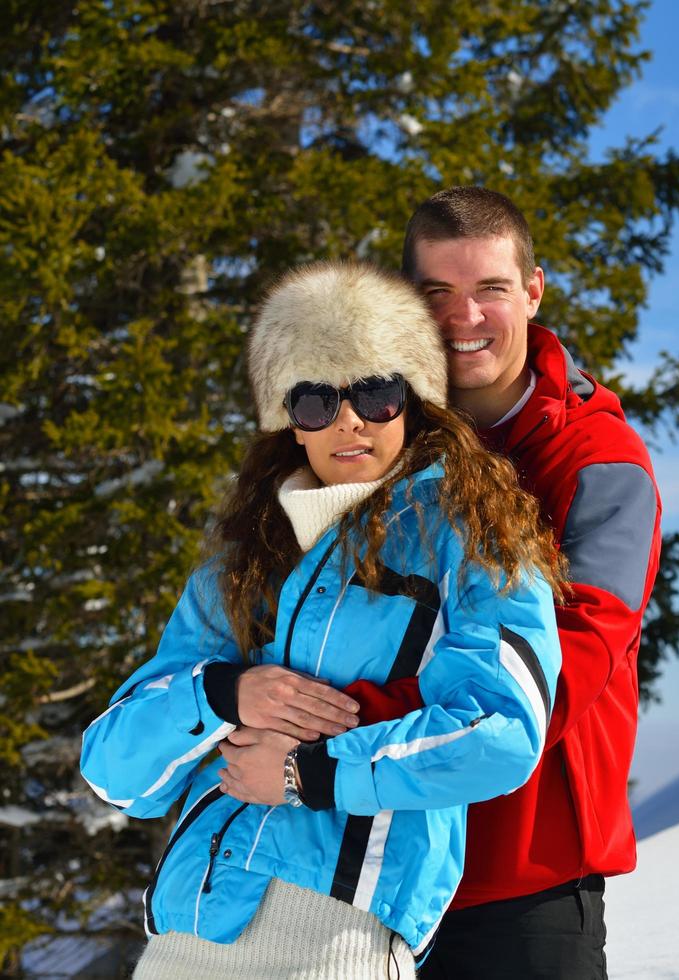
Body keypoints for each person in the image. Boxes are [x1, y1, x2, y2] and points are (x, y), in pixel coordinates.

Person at [79, 262, 565, 978]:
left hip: (340, 938)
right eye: (315, 401)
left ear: (415, 402)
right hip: (184, 935)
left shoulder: (474, 539)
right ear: (289, 423)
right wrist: (221, 696)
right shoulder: (239, 566)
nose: (348, 420)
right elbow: (116, 774)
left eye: (375, 393)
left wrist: (310, 772)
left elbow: (502, 732)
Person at [396, 187, 663, 979]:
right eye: (436, 293)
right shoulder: (370, 440)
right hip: (378, 865)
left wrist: (342, 732)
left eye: (489, 290)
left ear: (534, 290)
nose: (462, 317)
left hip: (523, 878)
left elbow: (564, 673)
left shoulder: (597, 463)